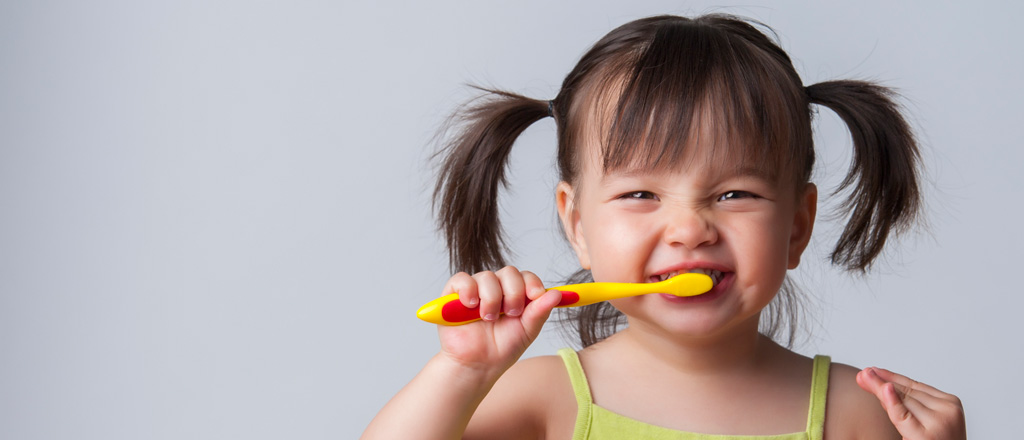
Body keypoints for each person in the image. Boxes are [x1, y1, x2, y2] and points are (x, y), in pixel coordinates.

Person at [362, 14, 965, 440]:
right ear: (576, 222)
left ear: (798, 228)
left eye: (736, 193)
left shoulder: (857, 414)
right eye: (640, 193)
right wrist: (464, 372)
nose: (689, 228)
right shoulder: (542, 400)